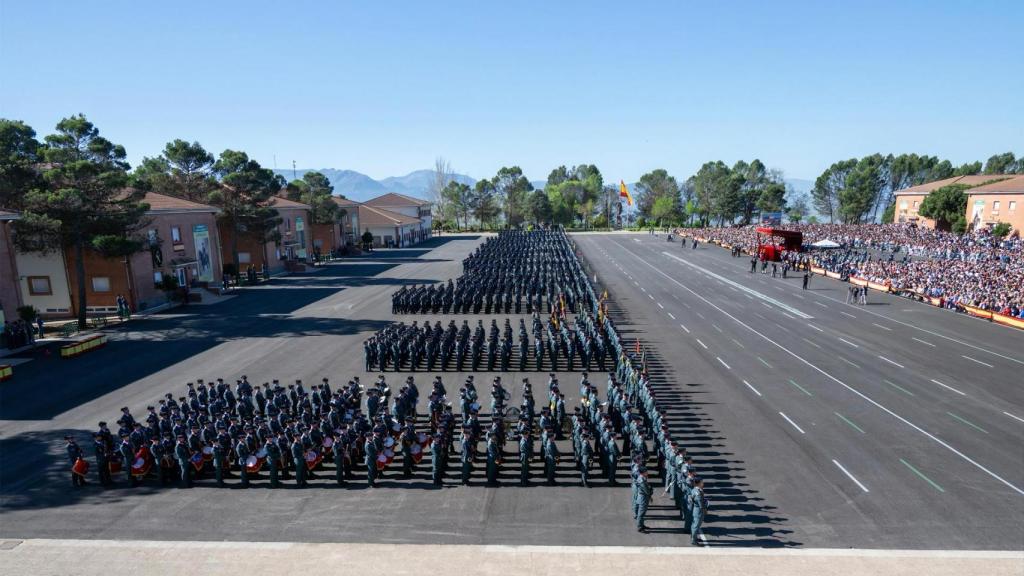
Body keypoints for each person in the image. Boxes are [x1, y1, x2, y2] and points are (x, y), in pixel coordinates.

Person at [689, 477, 707, 545]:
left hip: (696, 510)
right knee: (696, 526)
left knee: (694, 525)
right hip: (698, 511)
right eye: (702, 482)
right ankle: (694, 540)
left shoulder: (695, 489)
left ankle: (693, 537)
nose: (703, 483)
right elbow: (700, 504)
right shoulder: (698, 493)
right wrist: (705, 509)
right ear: (698, 483)